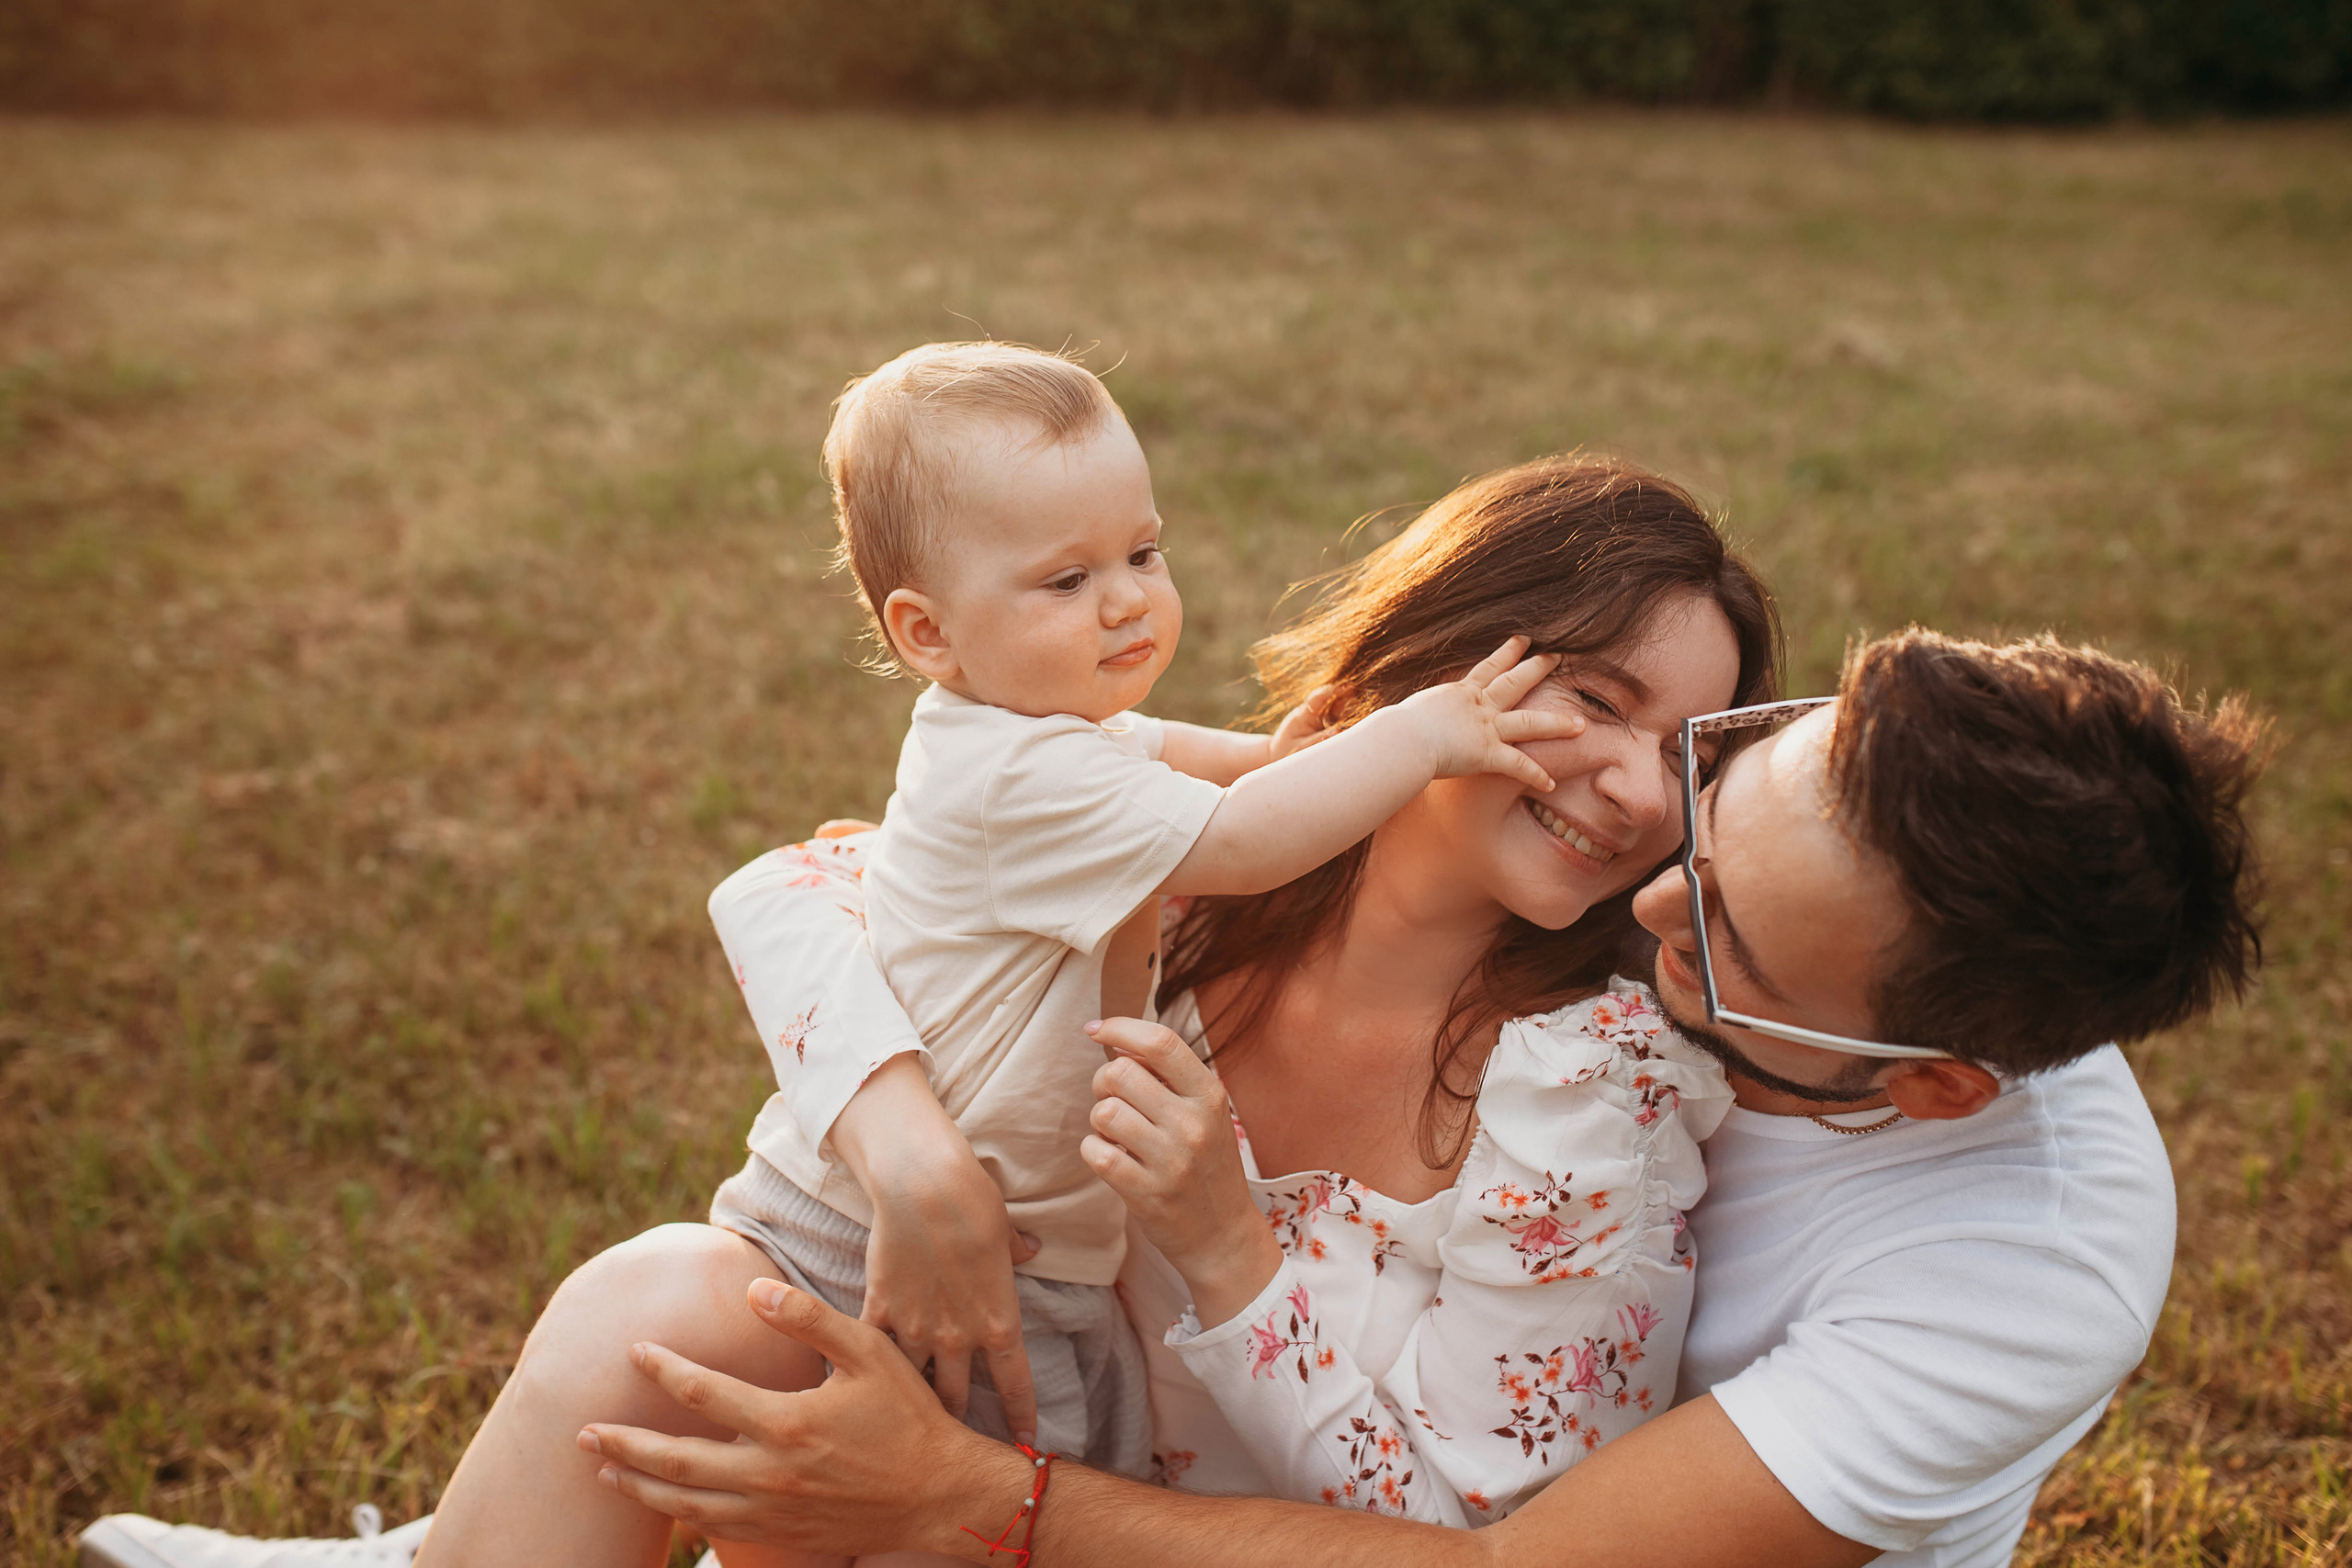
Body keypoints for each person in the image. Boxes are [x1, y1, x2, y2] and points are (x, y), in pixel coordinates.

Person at [83, 452, 1780, 1567]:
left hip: (1126, 1535)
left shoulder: (1587, 1092)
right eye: (1588, 701)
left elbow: (1483, 1540)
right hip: (993, 1462)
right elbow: (800, 883)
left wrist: (1225, 1247)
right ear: (1431, 673)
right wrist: (913, 1158)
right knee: (680, 1292)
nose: (1633, 784)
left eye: (1681, 747)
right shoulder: (1198, 876)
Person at [566, 628, 2265, 1568]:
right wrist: (910, 1145)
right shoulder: (1652, 853)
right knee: (665, 1307)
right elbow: (841, 875)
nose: (1651, 889)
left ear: (1940, 1086)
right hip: (1176, 1471)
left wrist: (958, 1492)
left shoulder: (2023, 1272)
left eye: (1726, 937)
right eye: (1715, 793)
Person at [695, 338, 1593, 1481]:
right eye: (1066, 581)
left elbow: (1190, 761)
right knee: (987, 1501)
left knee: (1026, 1477)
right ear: (927, 634)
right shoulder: (1032, 778)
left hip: (1010, 1228)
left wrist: (1270, 753)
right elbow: (1248, 843)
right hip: (929, 1243)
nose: (1126, 600)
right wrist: (1417, 736)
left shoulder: (1044, 731)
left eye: (1143, 550)